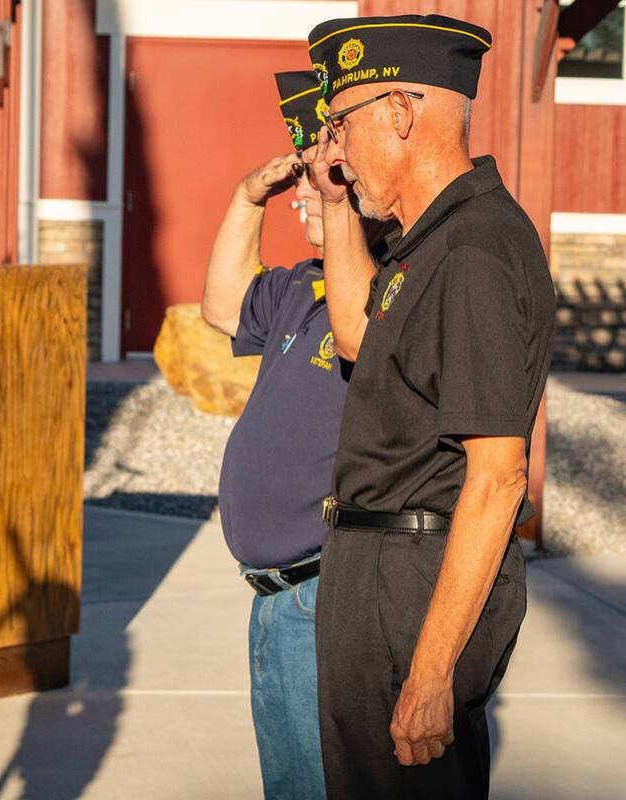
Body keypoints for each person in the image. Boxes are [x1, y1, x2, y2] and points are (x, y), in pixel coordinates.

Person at [304, 15, 556, 798]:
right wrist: (336, 208)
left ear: (400, 114)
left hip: (410, 584)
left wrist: (430, 670)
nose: (334, 150)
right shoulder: (425, 242)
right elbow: (355, 339)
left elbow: (496, 477)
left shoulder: (472, 251)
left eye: (340, 125)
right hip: (379, 572)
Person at [202, 70, 387, 800]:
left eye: (316, 179)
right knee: (292, 787)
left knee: (321, 786)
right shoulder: (299, 286)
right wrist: (246, 197)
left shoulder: (378, 292)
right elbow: (220, 306)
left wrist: (335, 199)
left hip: (321, 592)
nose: (301, 194)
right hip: (274, 597)